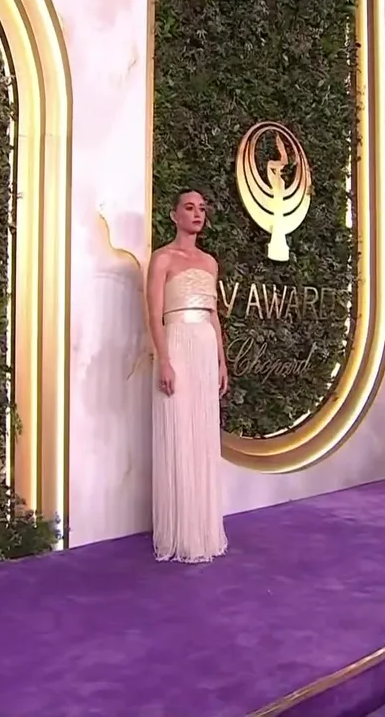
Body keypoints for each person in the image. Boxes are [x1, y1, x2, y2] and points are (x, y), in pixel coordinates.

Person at [146, 189, 229, 563]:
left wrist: (222, 361)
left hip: (205, 346)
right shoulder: (162, 258)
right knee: (179, 430)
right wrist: (164, 359)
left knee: (203, 433)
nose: (197, 214)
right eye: (189, 208)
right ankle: (180, 534)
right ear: (174, 215)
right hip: (177, 344)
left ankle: (204, 530)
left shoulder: (210, 262)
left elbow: (213, 315)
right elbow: (154, 315)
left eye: (201, 209)